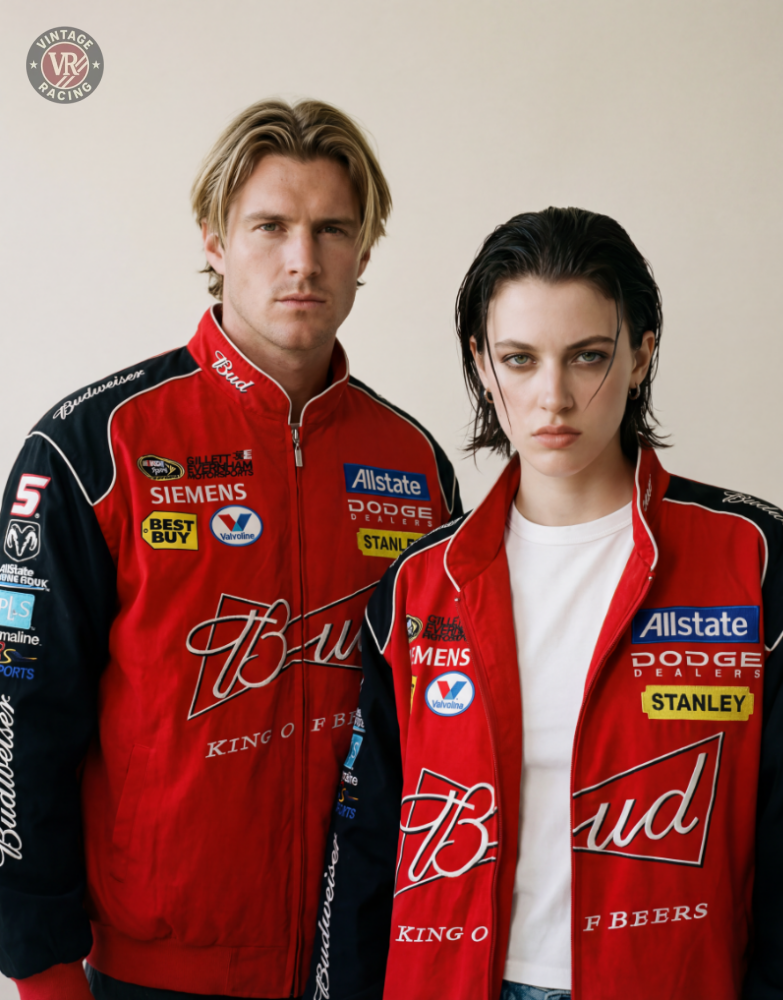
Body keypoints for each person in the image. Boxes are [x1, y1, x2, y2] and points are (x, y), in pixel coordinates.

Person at [0, 99, 461, 1000]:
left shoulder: (415, 466)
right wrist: (41, 967)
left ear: (365, 252)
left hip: (363, 964)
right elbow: (21, 717)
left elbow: (448, 728)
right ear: (213, 239)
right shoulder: (95, 447)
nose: (303, 260)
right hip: (152, 972)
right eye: (270, 226)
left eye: (333, 230)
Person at [304, 207, 783, 1000]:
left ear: (641, 356)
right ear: (481, 363)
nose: (553, 397)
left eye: (587, 356)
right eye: (519, 359)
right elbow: (365, 843)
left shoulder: (756, 555)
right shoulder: (418, 582)